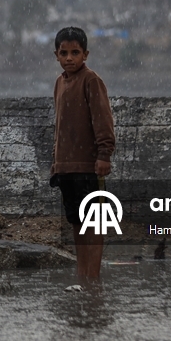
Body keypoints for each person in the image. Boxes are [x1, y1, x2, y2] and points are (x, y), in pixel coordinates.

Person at [50, 27, 115, 280]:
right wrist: (56, 161)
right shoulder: (59, 82)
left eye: (75, 52)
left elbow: (102, 120)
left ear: (85, 54)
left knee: (94, 222)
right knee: (77, 222)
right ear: (56, 55)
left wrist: (104, 154)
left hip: (88, 166)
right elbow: (60, 126)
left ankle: (93, 277)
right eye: (64, 53)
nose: (69, 58)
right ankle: (82, 273)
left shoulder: (91, 81)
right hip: (66, 167)